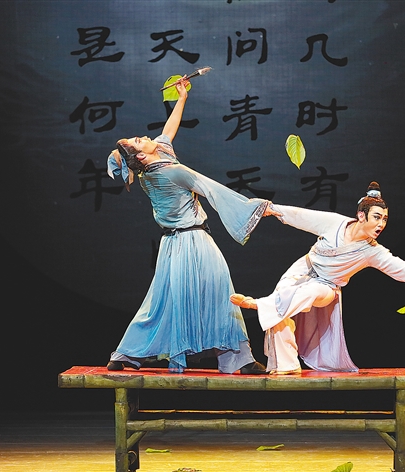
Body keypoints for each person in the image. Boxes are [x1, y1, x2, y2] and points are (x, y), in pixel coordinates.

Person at [105, 76, 279, 374]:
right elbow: (212, 189)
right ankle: (238, 358)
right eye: (137, 141)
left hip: (172, 245)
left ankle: (126, 354)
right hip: (193, 242)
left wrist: (182, 98)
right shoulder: (171, 172)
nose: (143, 136)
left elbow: (167, 133)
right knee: (220, 292)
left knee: (163, 300)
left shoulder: (151, 168)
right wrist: (254, 208)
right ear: (142, 155)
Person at [230, 182, 405, 375]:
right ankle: (286, 364)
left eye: (384, 219)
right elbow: (303, 217)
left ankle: (259, 304)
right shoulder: (336, 223)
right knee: (281, 306)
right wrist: (273, 209)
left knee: (306, 293)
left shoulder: (373, 251)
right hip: (304, 268)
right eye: (377, 217)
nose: (381, 224)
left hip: (326, 287)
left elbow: (401, 269)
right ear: (361, 215)